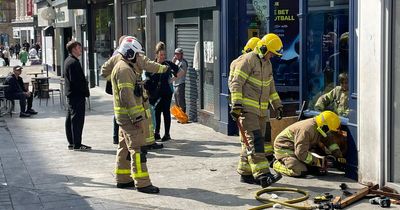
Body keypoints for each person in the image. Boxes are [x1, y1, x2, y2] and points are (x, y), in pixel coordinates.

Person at [111, 37, 168, 193]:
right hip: (130, 118)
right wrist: (137, 118)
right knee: (138, 149)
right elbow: (127, 96)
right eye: (137, 54)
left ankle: (123, 178)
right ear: (129, 53)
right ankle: (142, 183)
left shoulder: (126, 66)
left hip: (124, 118)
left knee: (124, 147)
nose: (138, 58)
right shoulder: (124, 70)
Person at [228, 33, 284, 188]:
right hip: (247, 110)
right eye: (271, 52)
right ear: (264, 48)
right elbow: (236, 83)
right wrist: (237, 105)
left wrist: (277, 105)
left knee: (250, 143)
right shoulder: (248, 60)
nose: (272, 56)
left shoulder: (267, 64)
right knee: (256, 141)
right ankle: (263, 175)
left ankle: (246, 174)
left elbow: (270, 87)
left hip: (261, 111)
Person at [272, 111, 346, 177]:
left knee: (315, 168)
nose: (330, 133)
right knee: (300, 171)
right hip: (284, 149)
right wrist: (319, 162)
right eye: (330, 131)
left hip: (298, 148)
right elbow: (301, 153)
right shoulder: (306, 130)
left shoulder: (320, 127)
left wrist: (338, 156)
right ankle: (276, 164)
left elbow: (330, 141)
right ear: (325, 127)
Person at [145, 42, 183, 142]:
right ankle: (156, 132)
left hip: (166, 92)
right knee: (156, 112)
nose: (163, 57)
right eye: (161, 55)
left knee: (166, 112)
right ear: (156, 54)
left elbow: (181, 71)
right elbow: (146, 76)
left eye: (164, 55)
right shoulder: (152, 65)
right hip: (155, 94)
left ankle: (167, 134)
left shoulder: (167, 64)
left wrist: (173, 79)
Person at [64, 40, 91, 151]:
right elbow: (76, 81)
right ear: (74, 49)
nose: (81, 50)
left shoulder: (69, 60)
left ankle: (72, 142)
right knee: (77, 120)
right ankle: (77, 144)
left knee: (71, 118)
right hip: (76, 95)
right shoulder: (73, 62)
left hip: (72, 95)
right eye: (79, 48)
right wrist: (85, 90)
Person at [172, 48, 188, 113]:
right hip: (175, 83)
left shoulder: (183, 63)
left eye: (178, 54)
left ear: (181, 54)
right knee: (176, 100)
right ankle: (179, 116)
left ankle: (183, 115)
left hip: (180, 83)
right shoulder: (176, 61)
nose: (176, 56)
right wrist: (173, 62)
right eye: (175, 54)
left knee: (180, 100)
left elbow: (180, 73)